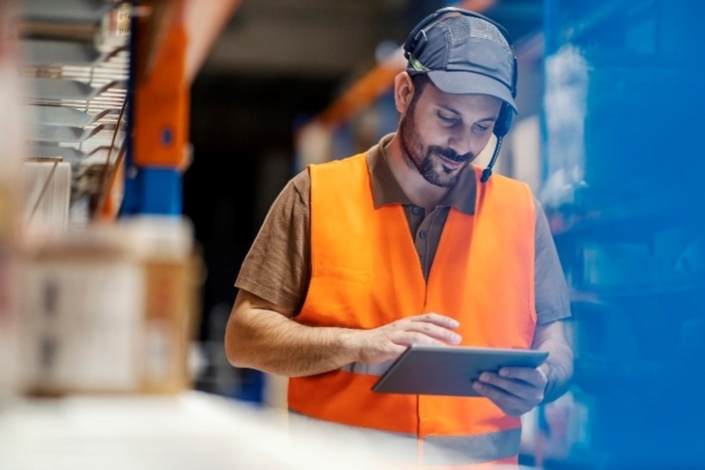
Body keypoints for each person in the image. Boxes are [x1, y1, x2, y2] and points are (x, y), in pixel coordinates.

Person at [225, 7, 573, 468]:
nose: (462, 144)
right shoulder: (315, 196)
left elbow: (558, 338)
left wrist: (545, 376)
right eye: (447, 118)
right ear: (405, 93)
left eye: (482, 127)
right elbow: (244, 338)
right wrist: (356, 345)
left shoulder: (519, 210)